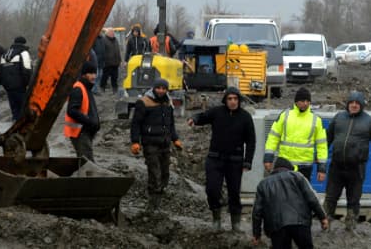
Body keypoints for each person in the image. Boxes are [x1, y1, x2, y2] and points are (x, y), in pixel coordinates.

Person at [188, 86, 256, 231]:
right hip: (215, 159)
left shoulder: (245, 117)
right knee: (212, 189)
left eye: (235, 98)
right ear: (225, 100)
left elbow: (251, 141)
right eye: (230, 99)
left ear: (239, 100)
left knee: (234, 193)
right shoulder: (217, 112)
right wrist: (193, 119)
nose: (232, 101)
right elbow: (202, 116)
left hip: (235, 161)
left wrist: (248, 161)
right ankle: (216, 218)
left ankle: (235, 224)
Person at [324, 90, 371, 230]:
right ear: (347, 104)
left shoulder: (370, 121)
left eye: (357, 103)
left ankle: (350, 228)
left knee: (353, 200)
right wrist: (320, 158)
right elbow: (327, 138)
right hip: (336, 167)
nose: (354, 105)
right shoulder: (338, 117)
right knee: (330, 198)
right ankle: (325, 224)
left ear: (362, 105)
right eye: (351, 102)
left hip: (357, 168)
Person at [252, 157, 329, 249]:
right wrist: (322, 217)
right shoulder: (297, 176)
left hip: (276, 227)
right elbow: (312, 198)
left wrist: (256, 235)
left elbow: (257, 212)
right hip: (300, 223)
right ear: (289, 168)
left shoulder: (263, 184)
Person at [130, 78, 182, 211]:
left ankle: (158, 200)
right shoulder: (144, 102)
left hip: (165, 143)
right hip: (150, 143)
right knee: (154, 172)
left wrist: (175, 138)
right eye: (158, 88)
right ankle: (153, 204)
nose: (161, 91)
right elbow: (136, 123)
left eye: (163, 88)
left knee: (165, 173)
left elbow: (171, 123)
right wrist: (135, 141)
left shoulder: (168, 102)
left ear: (166, 90)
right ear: (154, 88)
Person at [263, 87, 327, 181]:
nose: (305, 103)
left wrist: (322, 169)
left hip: (304, 168)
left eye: (307, 101)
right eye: (302, 100)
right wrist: (268, 158)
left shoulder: (316, 120)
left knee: (301, 195)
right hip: (284, 165)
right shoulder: (285, 115)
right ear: (296, 101)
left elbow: (322, 146)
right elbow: (273, 137)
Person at [64, 59, 100, 162]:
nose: (94, 76)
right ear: (84, 74)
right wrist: (89, 121)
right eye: (90, 73)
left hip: (85, 131)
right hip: (80, 132)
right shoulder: (78, 89)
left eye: (94, 73)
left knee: (84, 161)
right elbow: (72, 111)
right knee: (87, 162)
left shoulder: (86, 88)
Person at [0, 36, 32, 122]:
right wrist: (28, 84)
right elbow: (27, 70)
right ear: (24, 43)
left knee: (14, 111)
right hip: (21, 87)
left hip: (9, 88)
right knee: (22, 110)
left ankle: (14, 125)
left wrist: (4, 85)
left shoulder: (5, 54)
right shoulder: (24, 53)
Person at [99, 28, 122, 93]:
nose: (113, 33)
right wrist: (104, 60)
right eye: (111, 32)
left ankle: (115, 89)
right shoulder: (104, 40)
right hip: (107, 63)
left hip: (115, 62)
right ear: (107, 33)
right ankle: (102, 87)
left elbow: (118, 51)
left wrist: (120, 60)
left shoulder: (116, 40)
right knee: (105, 77)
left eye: (113, 32)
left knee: (115, 77)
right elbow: (102, 51)